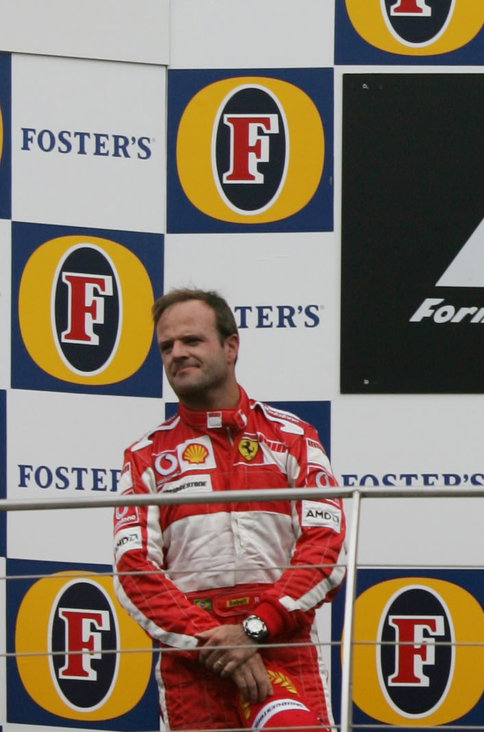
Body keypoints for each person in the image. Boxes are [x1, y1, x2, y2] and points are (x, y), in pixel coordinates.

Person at [113, 289, 345, 730]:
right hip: (194, 659)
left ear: (231, 346)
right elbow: (133, 570)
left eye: (192, 341)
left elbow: (325, 548)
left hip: (281, 640)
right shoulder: (145, 455)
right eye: (167, 347)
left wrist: (254, 629)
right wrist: (215, 645)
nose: (177, 354)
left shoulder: (293, 436)